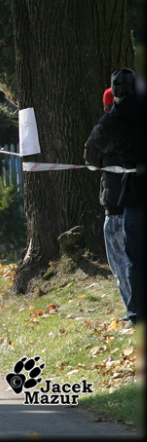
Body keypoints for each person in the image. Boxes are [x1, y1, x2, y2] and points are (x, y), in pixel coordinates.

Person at [85, 68, 143, 325]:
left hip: (135, 197)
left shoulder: (114, 119)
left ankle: (137, 314)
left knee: (133, 258)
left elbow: (91, 153)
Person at [84, 87, 130, 317]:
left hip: (116, 208)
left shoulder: (107, 129)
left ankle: (134, 309)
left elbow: (91, 158)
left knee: (120, 263)